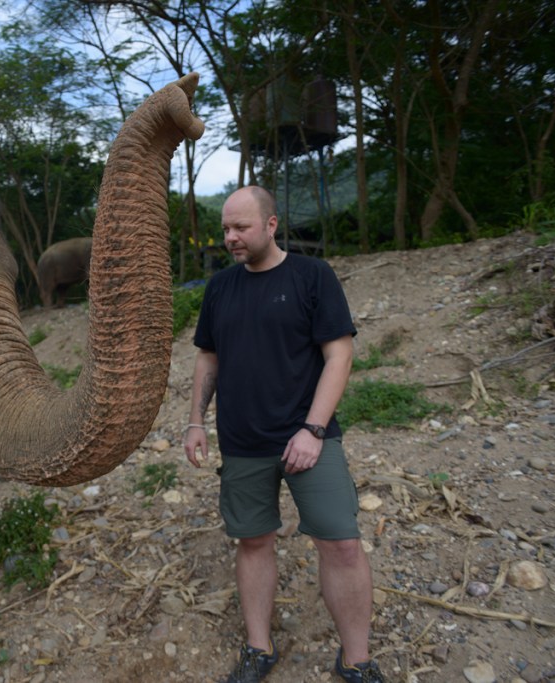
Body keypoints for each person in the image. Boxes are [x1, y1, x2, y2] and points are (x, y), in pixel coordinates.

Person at [183, 186, 386, 683]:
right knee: (253, 542)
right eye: (226, 228)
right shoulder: (220, 288)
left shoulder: (312, 276)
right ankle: (259, 648)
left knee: (340, 543)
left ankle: (356, 659)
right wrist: (195, 421)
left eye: (241, 228)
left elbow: (339, 355)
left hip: (309, 438)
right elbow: (207, 357)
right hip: (242, 442)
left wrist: (313, 430)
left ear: (271, 225)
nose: (231, 237)